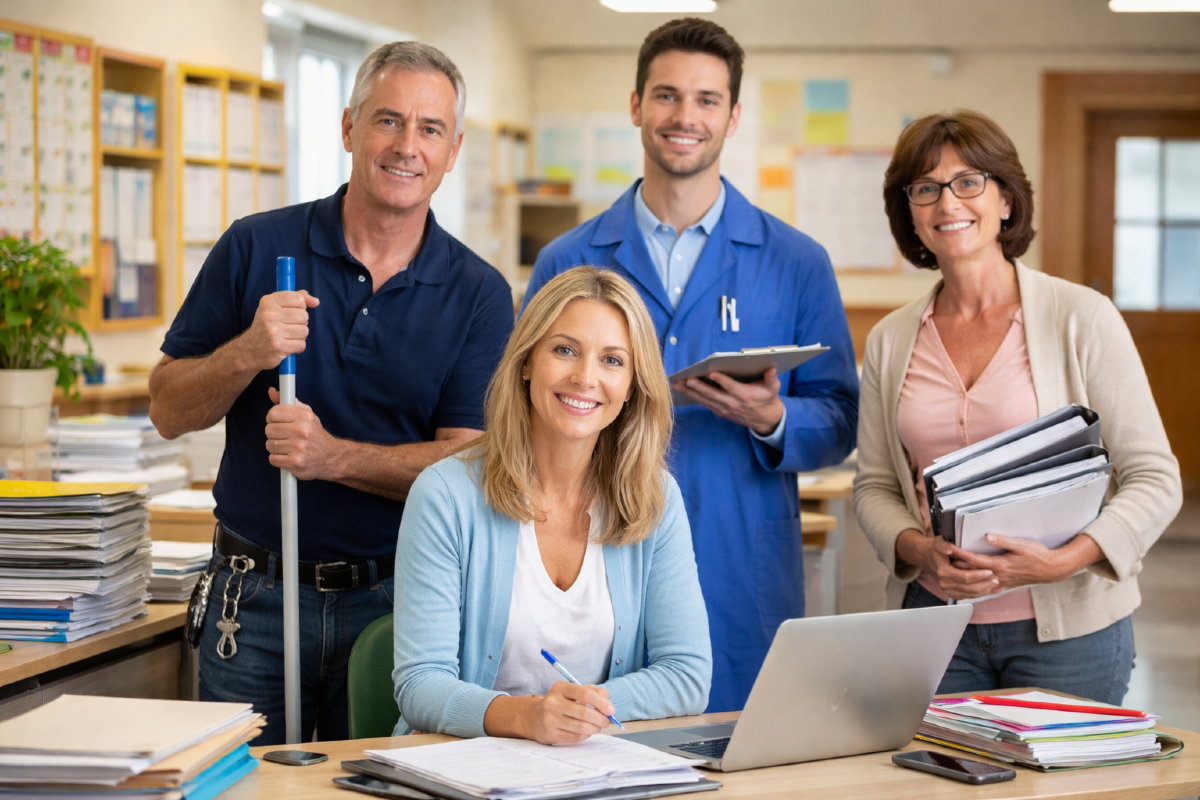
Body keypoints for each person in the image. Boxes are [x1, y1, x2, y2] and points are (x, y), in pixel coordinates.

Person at [148, 42, 513, 743]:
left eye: (430, 129)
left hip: (399, 605)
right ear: (349, 129)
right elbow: (168, 410)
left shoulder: (479, 294)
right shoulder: (256, 247)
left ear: (453, 148)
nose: (407, 146)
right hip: (250, 603)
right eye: (388, 121)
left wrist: (331, 457)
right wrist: (249, 352)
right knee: (238, 795)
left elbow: (469, 464)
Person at [521, 19, 858, 712]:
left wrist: (774, 418)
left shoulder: (796, 262)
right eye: (667, 95)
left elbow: (841, 419)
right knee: (594, 743)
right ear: (636, 105)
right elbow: (523, 409)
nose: (685, 117)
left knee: (738, 752)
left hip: (738, 556)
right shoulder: (568, 261)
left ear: (733, 117)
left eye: (707, 100)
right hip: (595, 551)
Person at [853, 110, 1182, 703]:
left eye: (969, 182)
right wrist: (916, 547)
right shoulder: (890, 339)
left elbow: (1155, 479)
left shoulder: (1082, 317)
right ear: (911, 215)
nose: (948, 202)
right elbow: (874, 486)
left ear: (1006, 199)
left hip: (1069, 636)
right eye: (925, 188)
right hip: (933, 631)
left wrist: (1066, 560)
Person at [392, 267, 712, 742]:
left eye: (612, 360)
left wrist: (582, 713)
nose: (586, 378)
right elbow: (420, 685)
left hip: (592, 764)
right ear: (526, 362)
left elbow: (687, 675)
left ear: (632, 386)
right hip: (464, 766)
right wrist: (528, 717)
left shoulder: (656, 498)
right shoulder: (444, 494)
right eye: (565, 350)